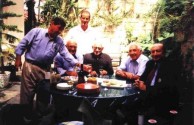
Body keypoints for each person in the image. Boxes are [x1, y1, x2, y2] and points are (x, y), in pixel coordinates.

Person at [15, 17, 91, 114]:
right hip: (30, 66)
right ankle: (25, 117)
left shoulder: (59, 41)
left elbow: (66, 55)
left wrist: (80, 65)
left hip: (46, 70)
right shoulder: (36, 32)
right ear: (52, 23)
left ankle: (41, 117)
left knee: (44, 94)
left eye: (62, 30)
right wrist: (18, 59)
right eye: (59, 28)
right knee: (27, 94)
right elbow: (22, 44)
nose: (60, 31)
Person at [134, 43, 179, 120]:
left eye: (158, 51)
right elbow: (143, 77)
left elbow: (167, 88)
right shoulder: (150, 63)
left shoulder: (170, 65)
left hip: (161, 100)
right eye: (152, 52)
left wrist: (146, 88)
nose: (155, 54)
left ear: (164, 52)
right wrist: (139, 82)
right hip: (146, 96)